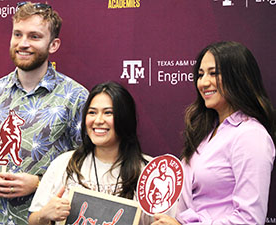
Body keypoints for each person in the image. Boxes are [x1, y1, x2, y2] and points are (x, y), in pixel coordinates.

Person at [0, 2, 88, 225]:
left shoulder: (76, 97)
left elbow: (89, 167)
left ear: (53, 44)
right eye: (17, 34)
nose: (23, 43)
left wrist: (39, 183)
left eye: (34, 36)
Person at [152, 41, 275, 225]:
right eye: (201, 75)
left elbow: (250, 220)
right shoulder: (205, 132)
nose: (203, 82)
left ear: (239, 77)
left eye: (213, 73)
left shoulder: (251, 135)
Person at [28, 81, 169, 225]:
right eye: (92, 112)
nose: (98, 120)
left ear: (125, 118)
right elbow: (33, 221)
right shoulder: (63, 163)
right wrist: (44, 215)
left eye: (108, 112)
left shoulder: (150, 172)